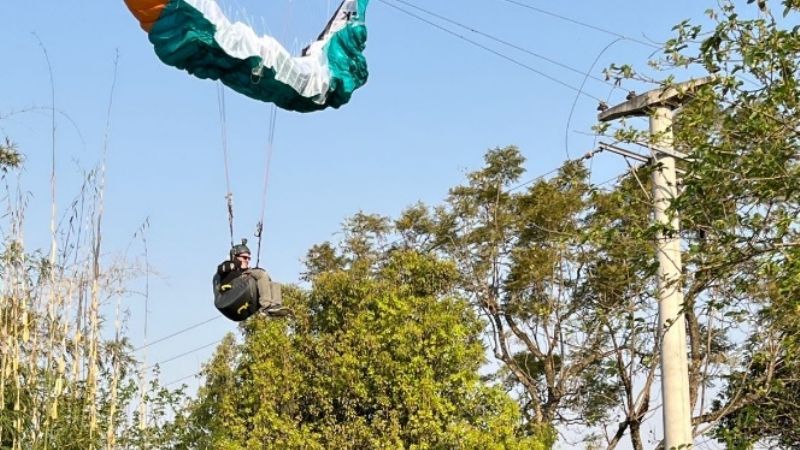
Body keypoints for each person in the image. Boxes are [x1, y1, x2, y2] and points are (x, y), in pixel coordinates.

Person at [214, 239, 289, 317]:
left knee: (273, 283)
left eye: (248, 258)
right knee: (261, 274)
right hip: (232, 291)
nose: (247, 260)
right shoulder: (228, 266)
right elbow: (221, 269)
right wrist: (236, 263)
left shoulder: (247, 271)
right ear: (235, 257)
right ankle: (266, 306)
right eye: (244, 257)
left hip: (243, 290)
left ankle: (275, 306)